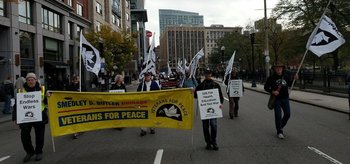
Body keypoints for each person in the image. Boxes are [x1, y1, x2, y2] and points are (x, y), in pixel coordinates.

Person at [12, 73, 48, 162]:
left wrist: (48, 96)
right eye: (28, 80)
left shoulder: (42, 89)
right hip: (25, 117)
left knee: (40, 135)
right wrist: (15, 118)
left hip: (39, 115)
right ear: (26, 81)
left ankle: (39, 152)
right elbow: (17, 105)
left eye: (32, 79)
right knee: (24, 136)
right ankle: (29, 152)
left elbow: (47, 102)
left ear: (36, 80)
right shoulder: (21, 91)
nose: (30, 81)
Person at [264, 62, 298, 139]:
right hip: (276, 99)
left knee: (287, 114)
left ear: (282, 69)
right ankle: (279, 131)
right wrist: (272, 91)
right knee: (278, 115)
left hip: (285, 98)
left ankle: (280, 126)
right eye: (277, 68)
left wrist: (295, 80)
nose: (278, 69)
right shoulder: (271, 78)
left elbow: (290, 84)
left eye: (280, 68)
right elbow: (266, 87)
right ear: (274, 69)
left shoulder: (286, 76)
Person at [194, 69, 224, 151]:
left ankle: (214, 141)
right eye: (207, 74)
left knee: (214, 125)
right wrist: (194, 92)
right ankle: (208, 142)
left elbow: (220, 96)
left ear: (211, 75)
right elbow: (195, 96)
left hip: (214, 109)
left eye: (209, 74)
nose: (208, 76)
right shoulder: (201, 85)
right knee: (206, 127)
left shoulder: (216, 85)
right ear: (205, 75)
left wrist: (221, 103)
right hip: (204, 110)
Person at [137, 72, 160, 136]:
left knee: (152, 115)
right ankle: (143, 129)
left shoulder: (154, 84)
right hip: (143, 103)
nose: (146, 77)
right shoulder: (141, 84)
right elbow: (137, 93)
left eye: (148, 76)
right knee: (144, 116)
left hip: (152, 103)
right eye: (145, 76)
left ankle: (152, 128)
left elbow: (158, 93)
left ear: (150, 76)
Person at [67, 75, 86, 139]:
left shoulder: (81, 86)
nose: (77, 80)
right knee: (74, 118)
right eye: (76, 79)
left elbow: (86, 93)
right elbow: (66, 94)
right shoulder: (69, 86)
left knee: (80, 117)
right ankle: (75, 132)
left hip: (80, 104)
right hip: (72, 105)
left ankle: (81, 128)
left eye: (78, 79)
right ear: (74, 79)